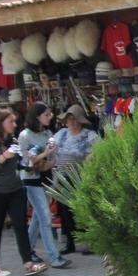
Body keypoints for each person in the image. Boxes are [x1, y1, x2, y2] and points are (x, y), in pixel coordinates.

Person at [0, 108, 47, 276]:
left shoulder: (13, 140)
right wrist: (4, 157)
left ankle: (28, 263)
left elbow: (18, 164)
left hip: (15, 189)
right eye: (11, 121)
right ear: (1, 123)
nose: (14, 124)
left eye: (15, 121)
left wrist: (30, 164)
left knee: (20, 226)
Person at [18, 103, 71, 269]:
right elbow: (29, 160)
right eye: (46, 114)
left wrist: (49, 158)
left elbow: (52, 159)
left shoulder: (48, 133)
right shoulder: (25, 135)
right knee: (46, 218)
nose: (50, 117)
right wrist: (47, 154)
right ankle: (54, 257)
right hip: (31, 180)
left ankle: (28, 250)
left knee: (38, 217)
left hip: (47, 177)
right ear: (37, 116)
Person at [52, 104, 98, 255]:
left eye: (74, 119)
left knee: (83, 211)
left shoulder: (89, 135)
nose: (72, 122)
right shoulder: (61, 134)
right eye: (69, 119)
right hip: (63, 177)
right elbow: (50, 148)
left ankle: (90, 243)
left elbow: (100, 149)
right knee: (65, 212)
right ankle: (70, 243)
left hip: (80, 177)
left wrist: (88, 158)